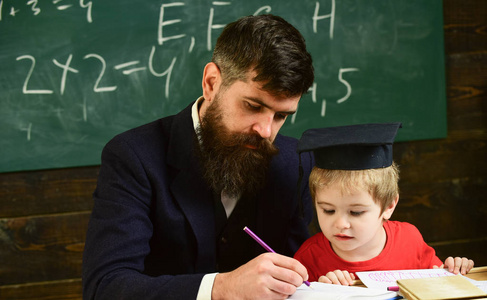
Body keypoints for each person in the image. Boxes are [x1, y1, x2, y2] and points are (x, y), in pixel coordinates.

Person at [82, 14, 315, 299]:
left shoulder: (297, 163)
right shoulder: (133, 156)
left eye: (281, 116)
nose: (266, 131)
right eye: (253, 106)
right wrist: (221, 288)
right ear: (211, 83)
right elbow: (104, 287)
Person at [293, 123, 475, 285]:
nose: (340, 223)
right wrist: (322, 293)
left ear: (389, 206)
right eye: (328, 210)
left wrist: (454, 269)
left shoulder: (409, 241)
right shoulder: (308, 259)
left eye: (356, 212)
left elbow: (438, 282)